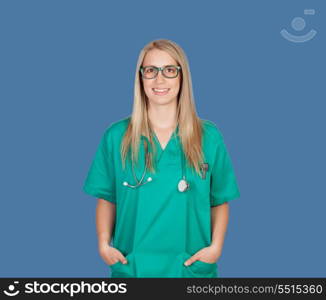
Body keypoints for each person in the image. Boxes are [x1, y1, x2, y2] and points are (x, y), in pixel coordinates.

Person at [83, 39, 240, 278]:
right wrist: (104, 244)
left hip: (189, 269)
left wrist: (216, 248)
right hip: (134, 268)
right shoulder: (116, 136)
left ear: (182, 77)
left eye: (169, 70)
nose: (159, 80)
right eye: (150, 71)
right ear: (140, 78)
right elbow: (107, 197)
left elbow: (219, 199)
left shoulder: (209, 137)